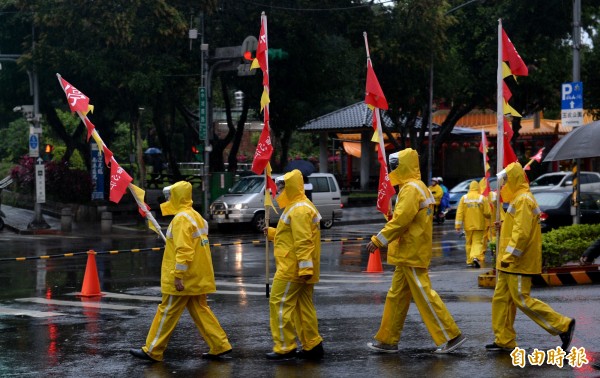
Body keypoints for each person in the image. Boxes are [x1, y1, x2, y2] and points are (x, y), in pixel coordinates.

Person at [365, 148, 467, 354]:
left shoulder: (410, 189)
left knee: (424, 294)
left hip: (410, 251)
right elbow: (404, 218)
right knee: (396, 297)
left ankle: (450, 335)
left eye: (394, 166)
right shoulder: (417, 187)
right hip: (409, 251)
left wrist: (378, 240)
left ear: (403, 167)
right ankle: (387, 340)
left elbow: (402, 221)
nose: (391, 170)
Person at [130, 181, 232, 362]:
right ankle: (220, 345)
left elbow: (184, 250)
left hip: (184, 279)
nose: (168, 199)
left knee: (167, 311)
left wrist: (178, 276)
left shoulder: (181, 219)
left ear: (178, 197)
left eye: (170, 196)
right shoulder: (195, 216)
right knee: (201, 309)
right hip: (197, 276)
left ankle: (152, 350)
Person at [487, 162, 576, 353]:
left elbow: (522, 233)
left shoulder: (524, 200)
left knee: (521, 299)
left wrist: (510, 256)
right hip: (507, 261)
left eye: (505, 181)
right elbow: (515, 227)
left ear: (514, 180)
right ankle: (504, 339)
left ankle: (563, 325)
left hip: (516, 261)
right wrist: (502, 225)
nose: (502, 186)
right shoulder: (518, 199)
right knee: (502, 300)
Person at [264, 169, 324, 361]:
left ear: (290, 188)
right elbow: (291, 236)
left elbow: (303, 240)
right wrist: (273, 233)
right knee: (302, 307)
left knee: (279, 303)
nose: (279, 192)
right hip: (299, 267)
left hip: (292, 269)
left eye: (281, 188)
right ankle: (312, 344)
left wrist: (305, 268)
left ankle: (284, 346)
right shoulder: (298, 206)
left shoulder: (298, 209)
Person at [454, 181, 491, 268]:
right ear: (478, 187)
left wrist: (458, 225)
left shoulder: (464, 198)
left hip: (468, 225)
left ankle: (469, 261)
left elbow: (460, 212)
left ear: (470, 187)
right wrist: (488, 216)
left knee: (468, 243)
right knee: (477, 242)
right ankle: (475, 257)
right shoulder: (482, 198)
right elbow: (487, 213)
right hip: (479, 225)